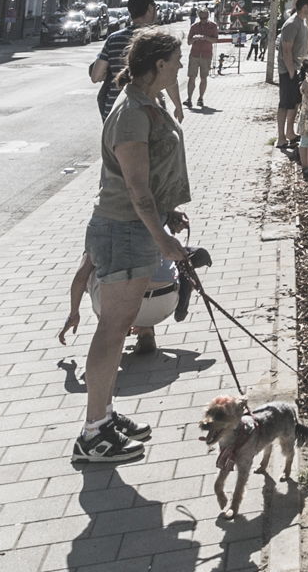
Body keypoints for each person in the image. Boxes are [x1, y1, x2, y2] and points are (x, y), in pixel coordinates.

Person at [73, 30, 191, 463]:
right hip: (124, 230)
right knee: (113, 329)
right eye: (176, 60)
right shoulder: (131, 114)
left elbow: (152, 182)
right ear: (158, 64)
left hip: (136, 227)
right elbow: (137, 189)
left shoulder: (148, 102)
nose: (181, 66)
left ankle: (103, 415)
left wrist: (167, 214)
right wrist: (163, 238)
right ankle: (92, 433)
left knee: (119, 326)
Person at [91, 0, 156, 119]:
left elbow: (95, 76)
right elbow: (169, 77)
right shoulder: (157, 39)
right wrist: (177, 105)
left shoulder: (113, 39)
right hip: (145, 109)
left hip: (114, 109)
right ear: (150, 9)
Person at [273, 0, 308, 148]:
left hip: (298, 70)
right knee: (285, 104)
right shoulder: (292, 24)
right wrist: (291, 71)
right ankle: (281, 138)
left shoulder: (302, 23)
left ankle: (290, 133)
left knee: (294, 104)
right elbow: (286, 49)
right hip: (289, 71)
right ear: (305, 7)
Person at [185, 9, 221, 109]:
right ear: (198, 17)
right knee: (192, 77)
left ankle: (200, 98)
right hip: (194, 55)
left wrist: (206, 38)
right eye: (201, 18)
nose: (203, 20)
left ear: (208, 16)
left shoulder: (213, 26)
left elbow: (215, 40)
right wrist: (195, 39)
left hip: (206, 55)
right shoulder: (194, 27)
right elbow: (188, 42)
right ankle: (189, 99)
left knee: (203, 78)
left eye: (205, 17)